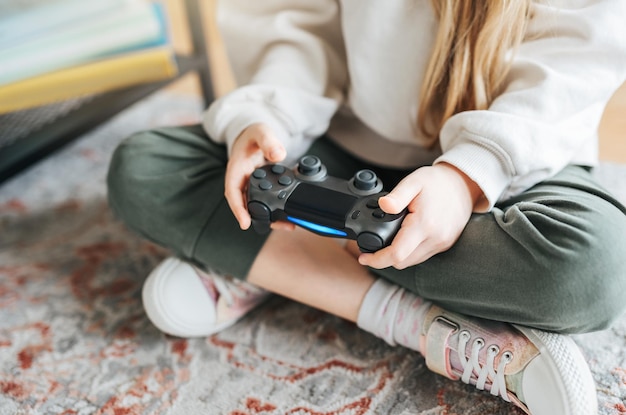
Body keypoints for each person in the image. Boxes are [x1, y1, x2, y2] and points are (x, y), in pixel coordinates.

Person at [106, 1, 626, 414]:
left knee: (594, 267)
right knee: (144, 166)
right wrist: (266, 115)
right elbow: (296, 22)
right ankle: (415, 321)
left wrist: (467, 176)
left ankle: (270, 263)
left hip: (519, 154)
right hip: (345, 143)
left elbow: (574, 64)